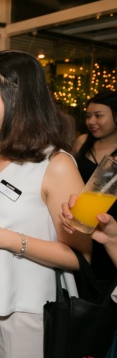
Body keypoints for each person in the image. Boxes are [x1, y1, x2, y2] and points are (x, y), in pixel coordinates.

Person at [0, 50, 91, 358]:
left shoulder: (57, 164)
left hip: (25, 305)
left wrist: (8, 240)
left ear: (15, 93)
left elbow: (80, 256)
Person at [72, 91, 117, 282]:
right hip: (80, 219)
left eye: (99, 115)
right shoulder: (82, 142)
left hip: (110, 224)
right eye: (88, 116)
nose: (92, 121)